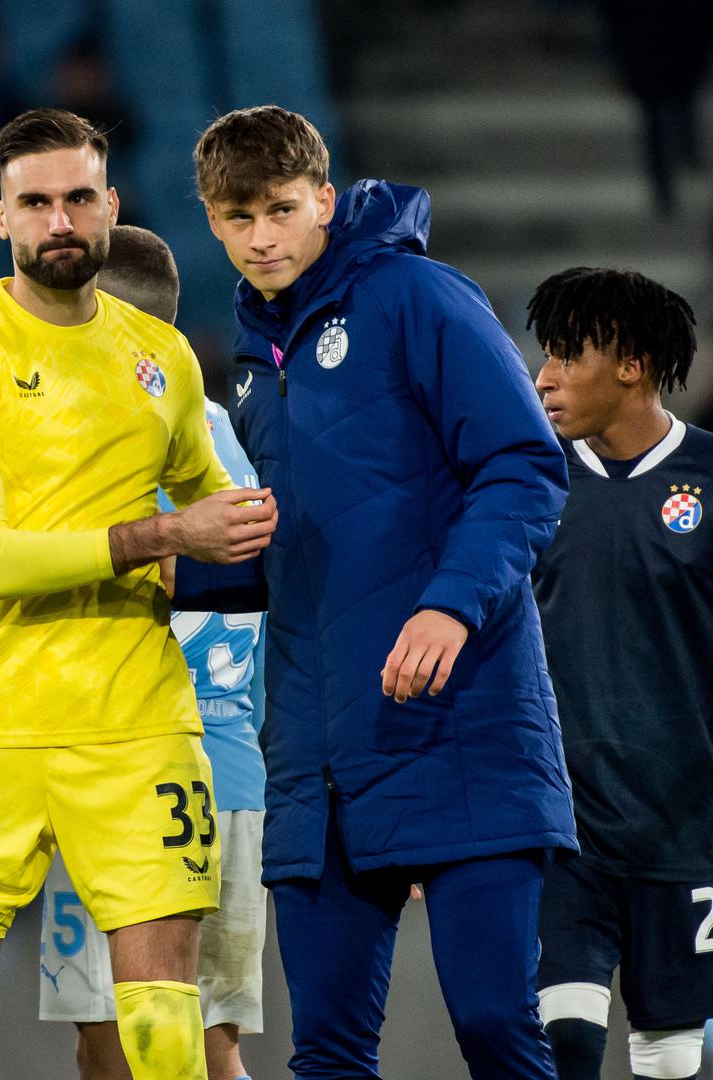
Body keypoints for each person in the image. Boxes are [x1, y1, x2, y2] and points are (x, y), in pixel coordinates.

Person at [176, 105, 575, 1079]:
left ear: (323, 198)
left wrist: (447, 605)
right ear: (211, 222)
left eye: (279, 209)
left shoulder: (417, 297)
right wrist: (164, 558)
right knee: (326, 1056)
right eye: (237, 218)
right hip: (319, 765)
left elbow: (523, 466)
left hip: (461, 726)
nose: (261, 238)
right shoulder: (249, 362)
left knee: (493, 1023)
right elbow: (284, 560)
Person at [0, 108, 278, 1080]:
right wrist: (164, 539)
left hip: (137, 731)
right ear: (0, 216)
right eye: (34, 203)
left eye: (76, 198)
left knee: (166, 1038)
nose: (57, 220)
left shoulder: (160, 359)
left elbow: (227, 532)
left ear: (109, 205)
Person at [526, 267, 713, 1080]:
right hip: (563, 832)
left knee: (668, 1065)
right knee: (564, 1043)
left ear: (631, 366)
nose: (544, 377)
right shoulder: (531, 481)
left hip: (686, 832)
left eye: (567, 355)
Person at [35, 225, 268, 1080]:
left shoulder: (102, 442)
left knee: (118, 1042)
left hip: (128, 771)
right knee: (199, 1044)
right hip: (228, 774)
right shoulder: (230, 442)